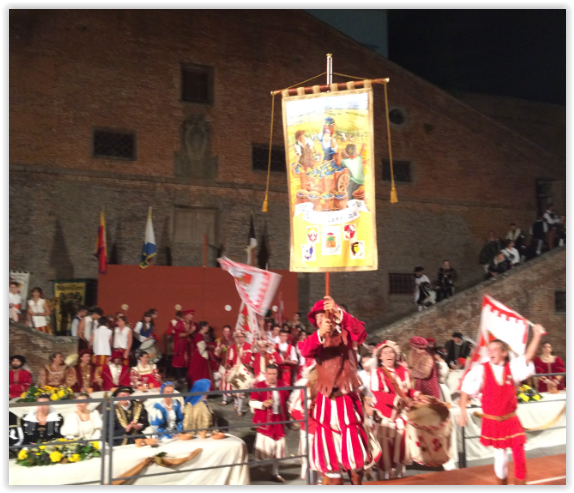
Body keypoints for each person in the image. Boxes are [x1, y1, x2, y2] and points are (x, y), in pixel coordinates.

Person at [300, 296, 381, 485]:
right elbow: (304, 351)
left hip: (347, 396)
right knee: (329, 446)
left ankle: (356, 476)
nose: (321, 319)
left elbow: (361, 332)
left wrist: (339, 313)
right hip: (326, 398)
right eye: (317, 317)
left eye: (324, 314)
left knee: (354, 449)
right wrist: (320, 333)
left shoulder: (348, 333)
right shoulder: (315, 339)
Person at [459, 324, 545, 485]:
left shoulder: (512, 368)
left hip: (511, 420)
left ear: (504, 353)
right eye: (489, 349)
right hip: (493, 421)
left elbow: (528, 356)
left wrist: (537, 336)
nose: (490, 351)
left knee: (519, 456)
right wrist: (462, 411)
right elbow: (465, 388)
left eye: (495, 348)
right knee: (500, 457)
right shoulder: (481, 371)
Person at [371, 341, 422, 480]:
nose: (389, 355)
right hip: (386, 416)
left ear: (396, 354)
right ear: (380, 357)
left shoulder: (404, 371)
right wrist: (395, 400)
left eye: (391, 352)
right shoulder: (377, 372)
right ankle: (382, 478)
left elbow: (407, 390)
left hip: (402, 416)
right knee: (385, 451)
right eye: (385, 353)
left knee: (402, 450)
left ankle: (398, 476)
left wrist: (417, 394)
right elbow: (377, 393)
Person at [250, 364, 290, 483]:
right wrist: (262, 404)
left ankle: (275, 472)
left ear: (277, 374)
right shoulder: (260, 386)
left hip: (279, 420)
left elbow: (286, 400)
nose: (272, 376)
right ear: (266, 374)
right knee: (263, 446)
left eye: (274, 374)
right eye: (270, 374)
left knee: (278, 447)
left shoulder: (282, 385)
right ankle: (260, 464)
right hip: (264, 420)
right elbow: (252, 403)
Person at [288, 366, 319, 483]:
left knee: (322, 461)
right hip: (309, 431)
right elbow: (294, 409)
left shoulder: (327, 387)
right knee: (310, 460)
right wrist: (306, 421)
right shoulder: (305, 388)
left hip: (324, 430)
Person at [226, 330, 251, 417]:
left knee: (241, 391)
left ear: (245, 337)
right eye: (238, 337)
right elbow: (229, 359)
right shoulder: (233, 347)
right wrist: (228, 366)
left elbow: (250, 359)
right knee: (235, 390)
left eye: (242, 337)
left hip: (243, 371)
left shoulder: (248, 347)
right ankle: (236, 403)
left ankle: (239, 410)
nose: (240, 339)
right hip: (234, 370)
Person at [187, 321, 214, 389]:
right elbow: (202, 348)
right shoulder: (199, 335)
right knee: (200, 374)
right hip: (200, 357)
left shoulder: (202, 335)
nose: (208, 328)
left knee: (203, 373)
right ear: (203, 327)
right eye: (207, 326)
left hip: (201, 356)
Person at [172, 309, 195, 384]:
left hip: (189, 346)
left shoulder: (192, 324)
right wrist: (190, 332)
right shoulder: (180, 324)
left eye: (192, 315)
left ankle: (187, 378)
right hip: (181, 346)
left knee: (188, 361)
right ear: (185, 316)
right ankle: (179, 378)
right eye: (189, 315)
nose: (191, 316)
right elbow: (178, 335)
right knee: (179, 361)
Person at [214, 325, 235, 406]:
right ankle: (224, 399)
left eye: (228, 331)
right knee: (223, 382)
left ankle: (236, 399)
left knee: (233, 381)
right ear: (223, 332)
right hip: (223, 363)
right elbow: (217, 354)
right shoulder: (221, 340)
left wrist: (229, 347)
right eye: (225, 331)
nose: (226, 333)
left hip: (232, 364)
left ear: (230, 332)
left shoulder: (234, 340)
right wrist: (219, 348)